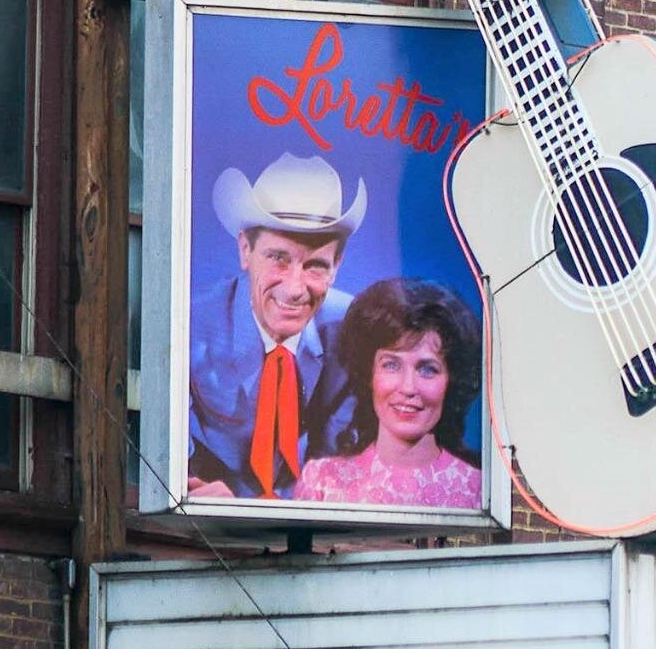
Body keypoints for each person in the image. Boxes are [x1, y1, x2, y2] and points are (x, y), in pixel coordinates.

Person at [187, 152, 363, 498]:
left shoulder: (352, 329)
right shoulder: (191, 321)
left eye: (316, 266)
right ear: (245, 250)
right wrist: (192, 486)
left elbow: (340, 455)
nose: (295, 289)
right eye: (278, 259)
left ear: (337, 265)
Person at [292, 279, 488, 511]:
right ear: (369, 374)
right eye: (391, 365)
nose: (408, 388)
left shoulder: (478, 490)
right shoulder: (321, 482)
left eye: (427, 369)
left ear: (452, 381)